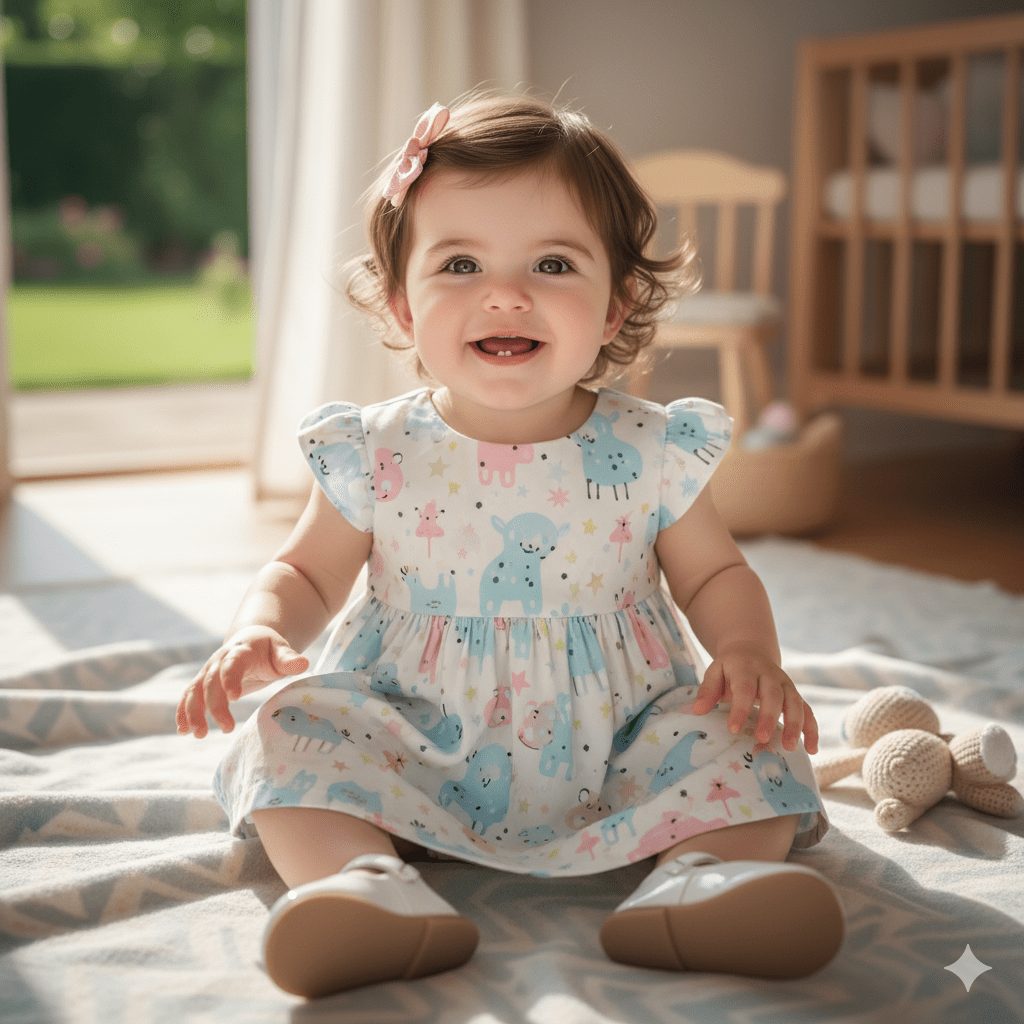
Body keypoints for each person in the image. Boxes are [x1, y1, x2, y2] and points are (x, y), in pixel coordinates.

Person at [176, 90, 844, 999]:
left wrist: (747, 651)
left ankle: (701, 883)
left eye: (553, 263)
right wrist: (260, 626)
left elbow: (716, 572)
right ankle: (362, 887)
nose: (505, 293)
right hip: (414, 738)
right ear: (403, 307)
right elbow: (304, 571)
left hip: (623, 742)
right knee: (288, 731)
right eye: (459, 263)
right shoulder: (376, 450)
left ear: (615, 308)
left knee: (755, 741)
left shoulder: (652, 449)